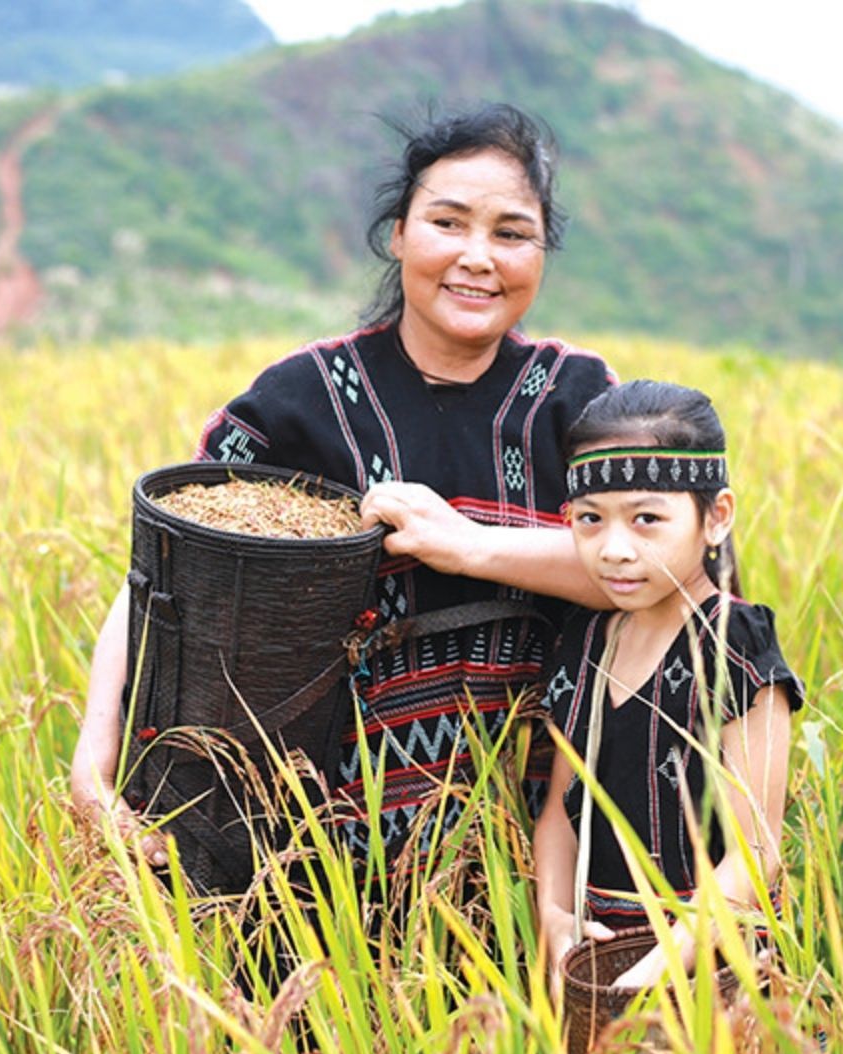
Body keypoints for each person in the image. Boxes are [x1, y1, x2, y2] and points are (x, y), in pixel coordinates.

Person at [70, 103, 615, 875]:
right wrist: (95, 750)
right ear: (398, 234)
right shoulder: (303, 398)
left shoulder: (584, 401)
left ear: (542, 253)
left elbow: (667, 575)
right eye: (448, 223)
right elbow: (166, 569)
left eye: (512, 233)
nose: (477, 256)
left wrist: (470, 547)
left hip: (538, 840)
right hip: (309, 841)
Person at [532, 380, 804, 991]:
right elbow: (559, 814)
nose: (615, 549)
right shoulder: (583, 640)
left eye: (647, 519)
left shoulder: (736, 645)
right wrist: (554, 916)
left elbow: (755, 859)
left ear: (716, 518)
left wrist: (653, 969)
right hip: (594, 964)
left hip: (714, 970)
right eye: (590, 520)